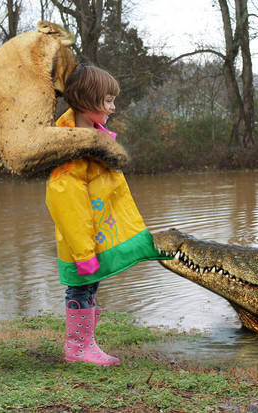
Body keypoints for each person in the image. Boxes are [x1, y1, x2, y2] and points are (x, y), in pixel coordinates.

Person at [45, 64, 169, 366]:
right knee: (81, 288)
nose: (113, 107)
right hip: (82, 243)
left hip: (96, 236)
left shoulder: (96, 140)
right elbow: (68, 204)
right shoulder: (71, 150)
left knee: (91, 287)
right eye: (108, 100)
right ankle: (78, 347)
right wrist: (83, 251)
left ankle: (85, 344)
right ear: (87, 103)